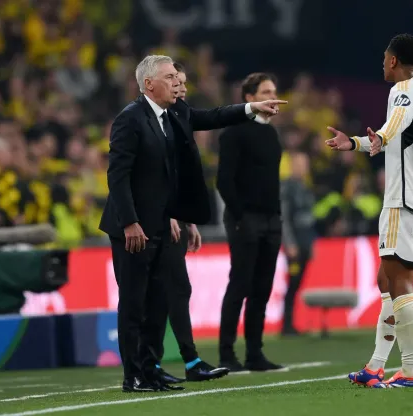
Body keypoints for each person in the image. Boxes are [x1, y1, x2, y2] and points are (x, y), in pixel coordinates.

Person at [99, 55, 285, 393]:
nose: (177, 82)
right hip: (132, 228)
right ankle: (133, 375)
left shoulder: (175, 114)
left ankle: (151, 368)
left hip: (160, 224)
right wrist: (129, 222)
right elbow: (118, 175)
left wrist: (251, 109)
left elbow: (211, 117)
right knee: (134, 303)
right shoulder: (130, 119)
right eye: (170, 77)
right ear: (148, 85)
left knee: (157, 303)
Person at [326, 34, 413, 389]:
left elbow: (396, 125)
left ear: (394, 61)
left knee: (399, 282)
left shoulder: (403, 89)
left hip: (402, 201)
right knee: (385, 280)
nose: (382, 63)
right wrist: (357, 143)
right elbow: (399, 137)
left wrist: (380, 137)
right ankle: (375, 366)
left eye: (384, 57)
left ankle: (412, 371)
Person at [154, 62, 230, 384]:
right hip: (154, 220)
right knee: (168, 291)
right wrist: (170, 214)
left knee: (167, 292)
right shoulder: (156, 122)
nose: (182, 89)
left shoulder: (179, 116)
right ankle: (181, 361)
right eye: (176, 82)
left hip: (173, 219)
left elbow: (180, 179)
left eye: (183, 83)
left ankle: (167, 361)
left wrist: (189, 220)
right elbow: (158, 176)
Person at [216, 73, 285, 372]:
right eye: (266, 91)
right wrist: (240, 216)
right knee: (240, 285)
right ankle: (227, 354)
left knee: (262, 289)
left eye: (274, 90)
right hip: (246, 219)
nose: (274, 96)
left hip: (272, 220)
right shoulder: (234, 132)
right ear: (249, 98)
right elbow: (224, 181)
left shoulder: (271, 134)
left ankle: (254, 354)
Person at [280, 151, 317, 336]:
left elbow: (309, 219)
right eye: (300, 164)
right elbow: (284, 217)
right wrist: (290, 243)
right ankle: (286, 325)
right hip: (294, 245)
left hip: (304, 242)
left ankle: (290, 324)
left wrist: (311, 244)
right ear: (293, 165)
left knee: (297, 283)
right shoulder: (287, 188)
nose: (303, 168)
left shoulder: (305, 187)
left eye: (305, 164)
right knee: (292, 283)